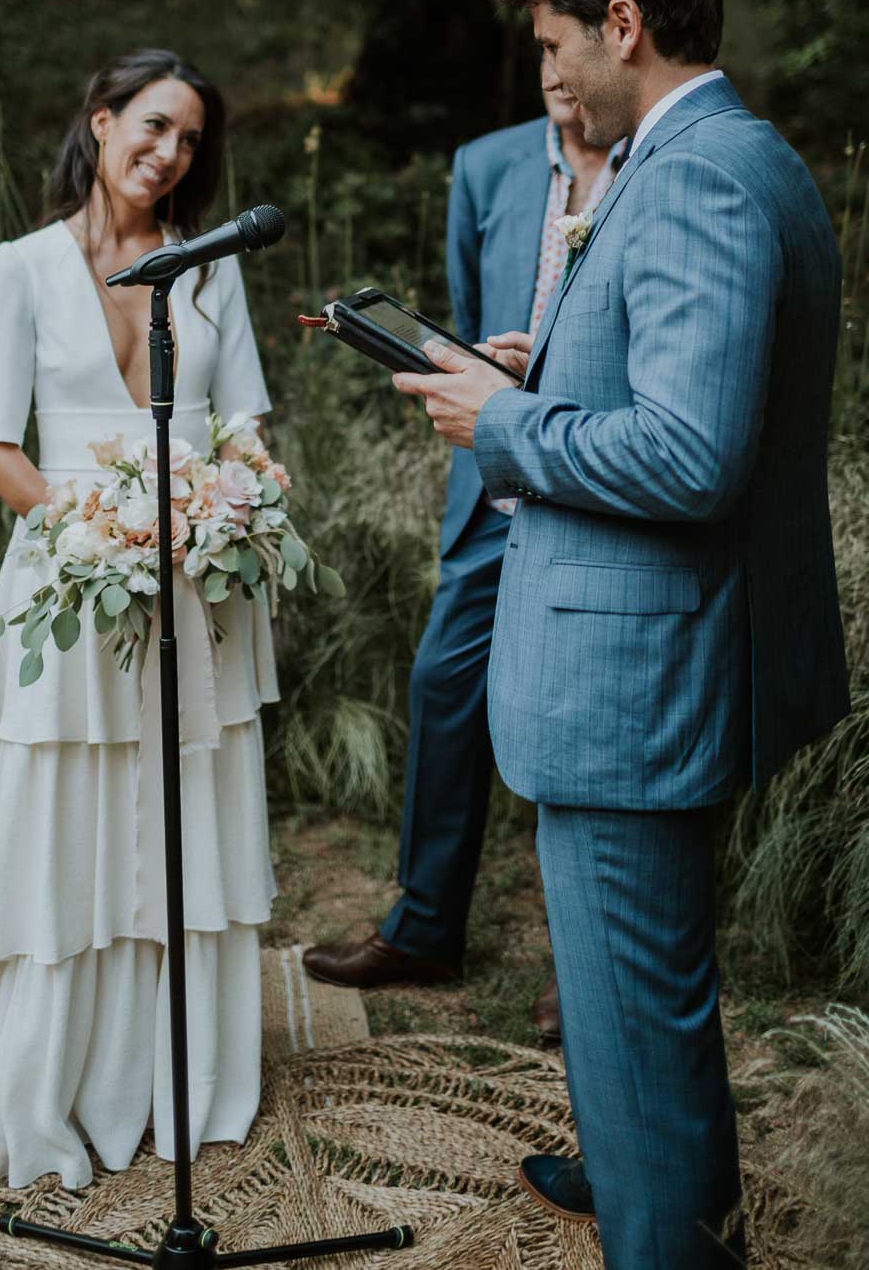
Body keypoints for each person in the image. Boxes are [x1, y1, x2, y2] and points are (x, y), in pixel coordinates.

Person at [392, 0, 849, 1269]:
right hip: (653, 659)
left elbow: (693, 451)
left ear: (623, 26)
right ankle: (672, 1192)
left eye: (554, 43)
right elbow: (672, 387)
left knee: (634, 1007)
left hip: (634, 677)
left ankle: (664, 1229)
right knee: (649, 999)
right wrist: (552, 370)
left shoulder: (695, 168)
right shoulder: (719, 153)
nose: (550, 74)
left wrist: (504, 423)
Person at [0, 49, 278, 1190]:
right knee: (68, 803)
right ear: (102, 123)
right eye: (154, 128)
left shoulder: (209, 271)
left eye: (191, 142)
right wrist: (93, 532)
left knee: (186, 808)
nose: (170, 155)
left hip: (199, 583)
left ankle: (183, 1075)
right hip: (73, 578)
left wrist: (236, 503)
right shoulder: (22, 265)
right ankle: (59, 1069)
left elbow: (247, 423)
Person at [304, 66, 625, 1045]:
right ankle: (427, 925)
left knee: (576, 716)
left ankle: (588, 966)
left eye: (570, 53)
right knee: (444, 685)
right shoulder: (483, 166)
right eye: (543, 56)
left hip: (592, 478)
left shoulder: (647, 161)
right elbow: (459, 313)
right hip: (491, 487)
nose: (560, 78)